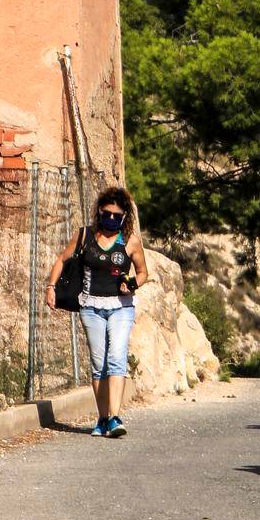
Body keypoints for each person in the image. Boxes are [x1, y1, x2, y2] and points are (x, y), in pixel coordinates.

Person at [45, 184, 149, 439]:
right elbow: (61, 259)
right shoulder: (85, 236)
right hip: (90, 306)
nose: (110, 219)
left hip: (120, 307)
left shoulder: (130, 241)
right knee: (98, 363)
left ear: (124, 217)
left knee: (116, 358)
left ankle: (114, 417)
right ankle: (103, 418)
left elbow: (143, 272)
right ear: (99, 212)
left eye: (116, 216)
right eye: (106, 214)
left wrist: (132, 284)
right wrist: (51, 287)